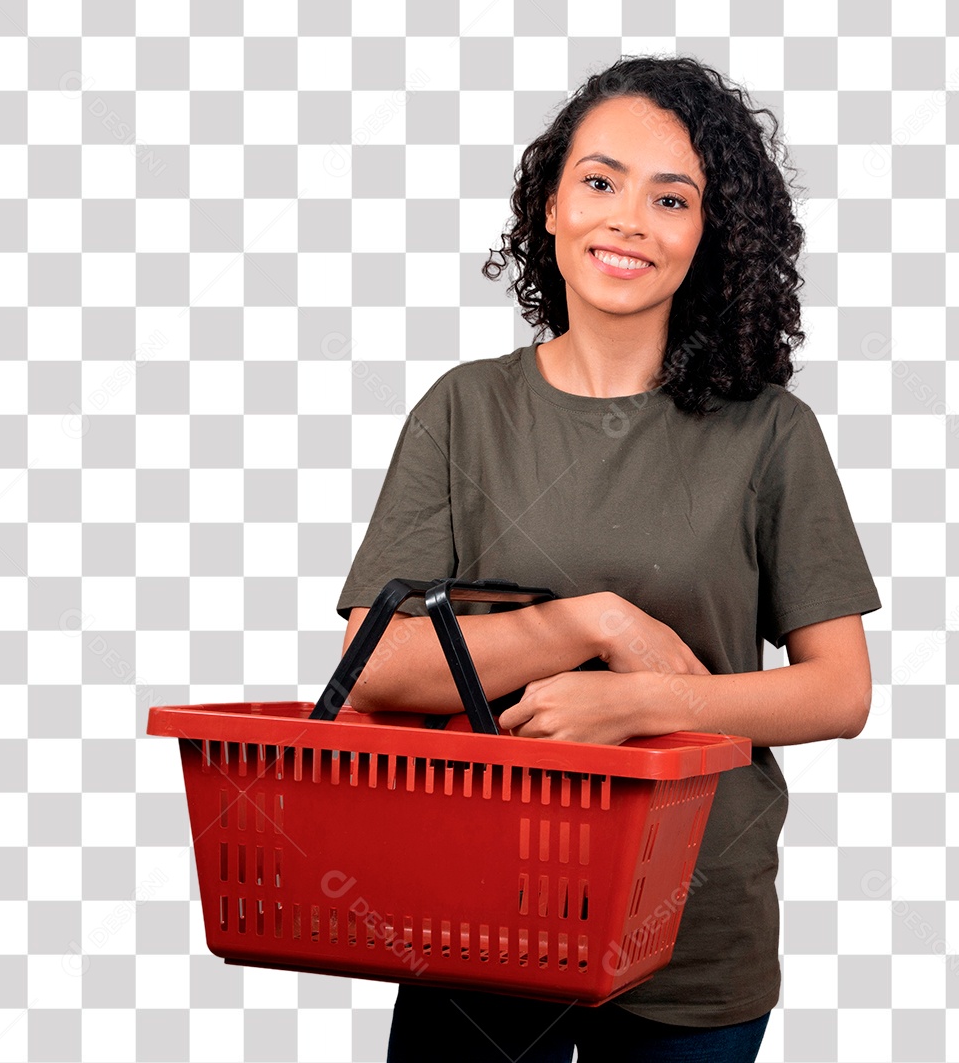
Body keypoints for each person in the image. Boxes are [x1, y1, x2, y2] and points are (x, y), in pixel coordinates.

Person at [335, 55, 882, 1063]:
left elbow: (839, 691)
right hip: (478, 914)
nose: (629, 220)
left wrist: (633, 704)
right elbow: (377, 669)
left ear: (709, 235)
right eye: (600, 182)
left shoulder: (770, 434)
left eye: (671, 198)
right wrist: (595, 622)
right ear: (551, 207)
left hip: (694, 927)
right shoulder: (464, 412)